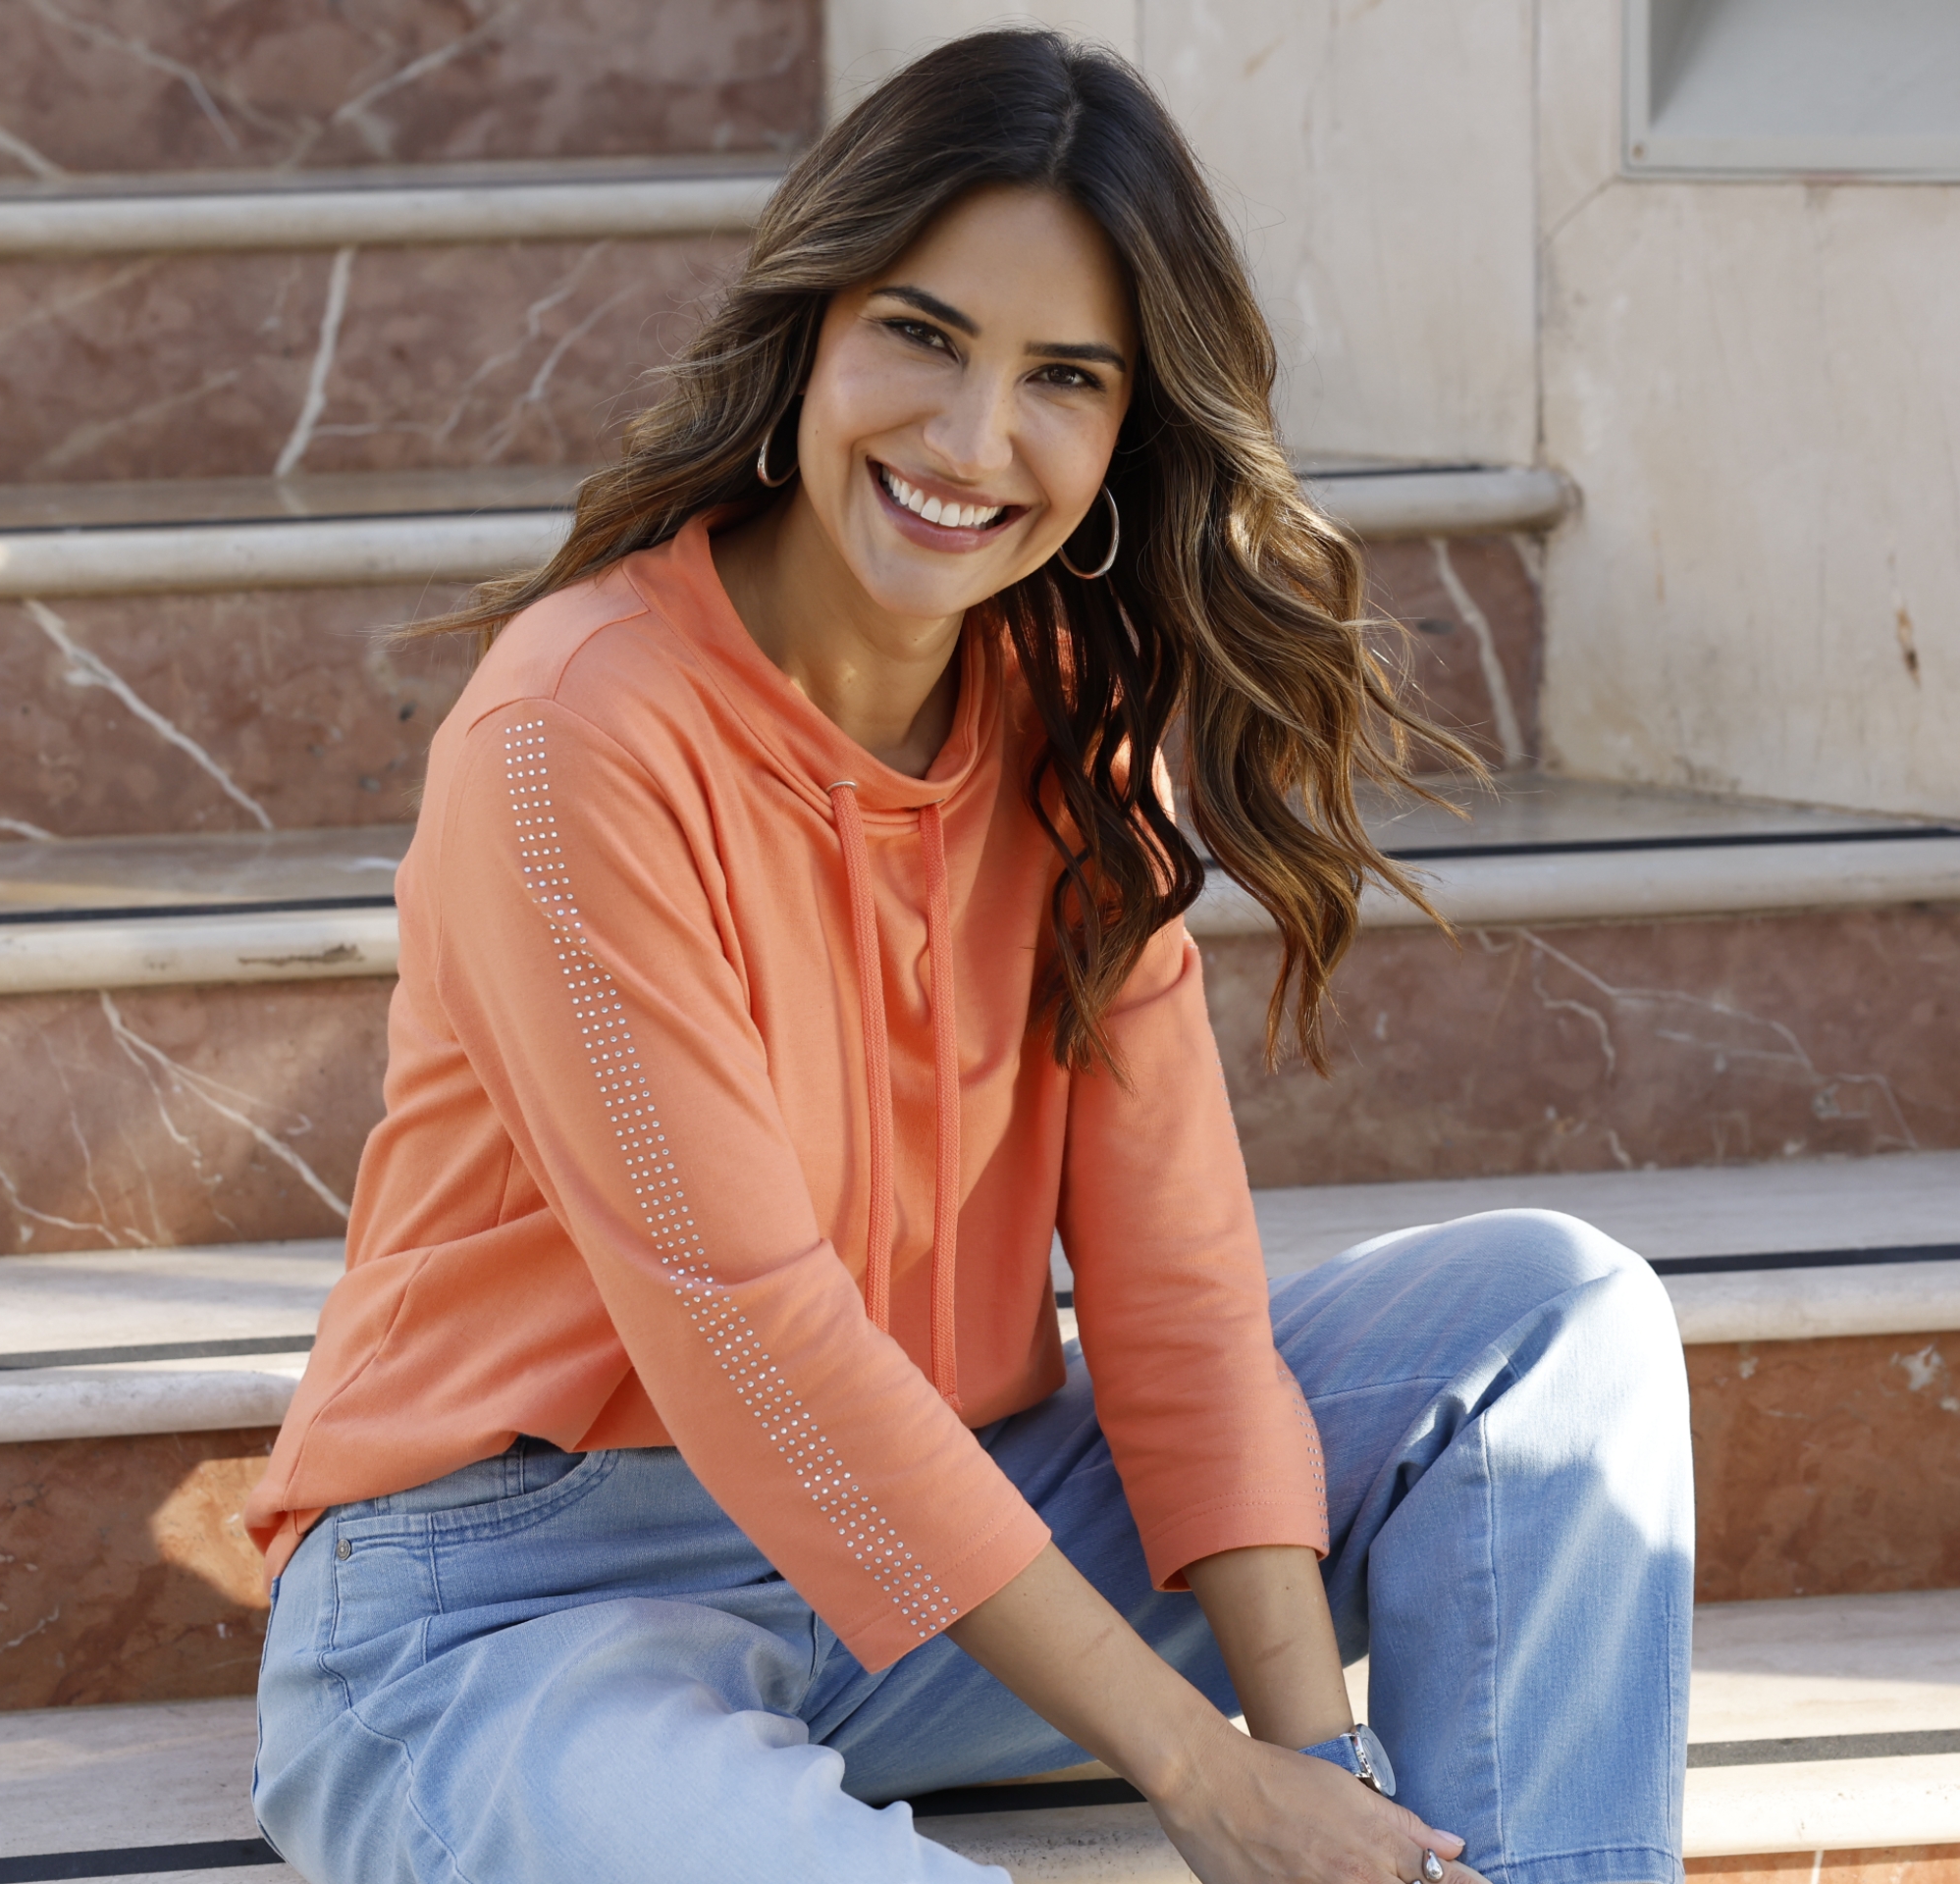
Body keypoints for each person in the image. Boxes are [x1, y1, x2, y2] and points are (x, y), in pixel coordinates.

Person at [242, 27, 1692, 1884]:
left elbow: (1176, 1301)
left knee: (1550, 1327)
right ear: (813, 326)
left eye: (1062, 378)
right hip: (512, 1603)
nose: (971, 441)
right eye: (922, 336)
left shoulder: (1073, 716)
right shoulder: (573, 740)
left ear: (1125, 429)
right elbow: (760, 1348)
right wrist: (1200, 1772)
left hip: (955, 1551)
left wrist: (1310, 1763)